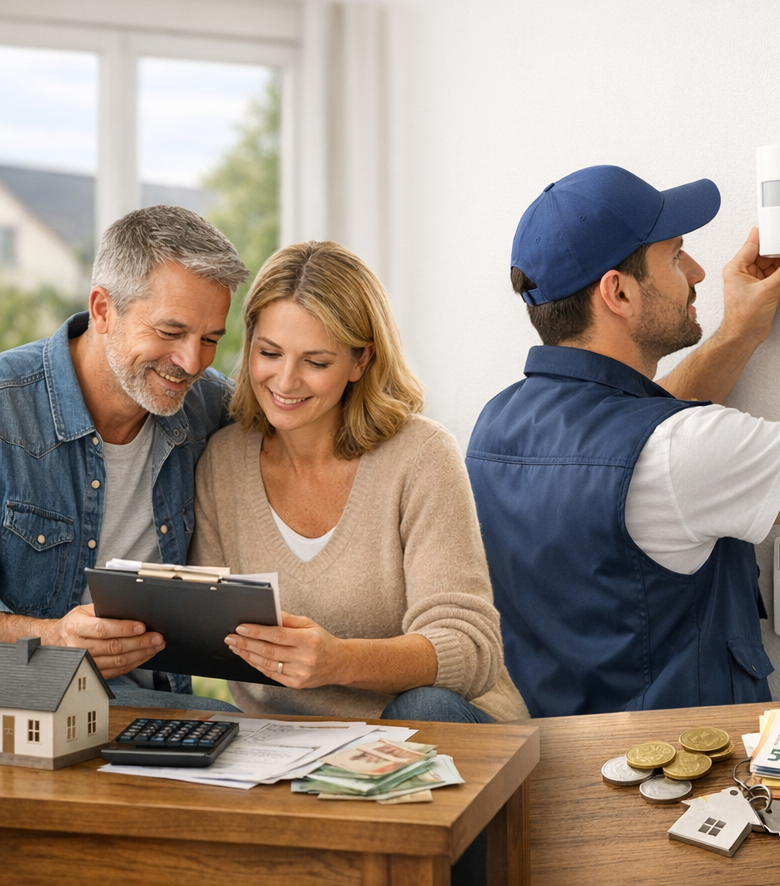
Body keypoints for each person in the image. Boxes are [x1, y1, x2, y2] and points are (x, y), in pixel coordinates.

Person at [466, 164, 780, 717]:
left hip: (558, 770)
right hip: (675, 782)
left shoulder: (494, 426)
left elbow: (637, 434)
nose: (699, 272)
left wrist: (738, 333)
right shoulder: (679, 450)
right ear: (618, 292)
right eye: (676, 255)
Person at [190, 241, 528, 725]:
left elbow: (469, 649)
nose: (285, 381)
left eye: (316, 362)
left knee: (422, 707)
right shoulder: (222, 462)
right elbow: (209, 632)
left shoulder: (421, 456)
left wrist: (339, 662)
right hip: (290, 743)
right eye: (269, 352)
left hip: (439, 726)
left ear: (361, 362)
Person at [0, 206, 249, 710]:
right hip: (19, 690)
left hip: (144, 701)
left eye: (210, 340)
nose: (191, 362)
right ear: (102, 310)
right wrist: (51, 638)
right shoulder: (7, 408)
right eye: (170, 331)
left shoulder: (211, 410)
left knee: (224, 728)